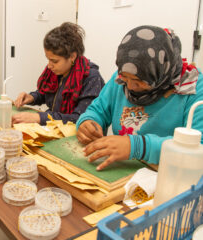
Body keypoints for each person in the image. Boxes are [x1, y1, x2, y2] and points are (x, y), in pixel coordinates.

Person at [76, 25, 203, 171]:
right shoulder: (123, 77)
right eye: (125, 78)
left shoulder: (193, 88)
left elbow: (198, 148)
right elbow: (97, 110)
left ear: (160, 73)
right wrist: (88, 122)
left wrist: (138, 146)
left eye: (138, 81)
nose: (129, 86)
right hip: (123, 170)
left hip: (167, 175)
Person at [13, 22, 104, 125]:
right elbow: (47, 93)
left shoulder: (91, 78)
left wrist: (40, 118)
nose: (49, 66)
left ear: (72, 56)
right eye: (48, 59)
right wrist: (32, 97)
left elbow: (79, 119)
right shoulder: (57, 70)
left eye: (54, 61)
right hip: (56, 126)